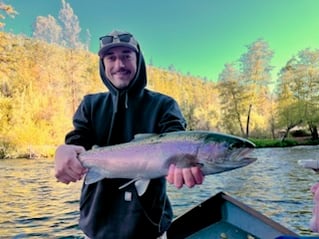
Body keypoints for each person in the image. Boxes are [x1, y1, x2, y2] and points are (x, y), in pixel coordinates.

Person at [54, 30, 204, 239]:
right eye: (111, 58)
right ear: (103, 64)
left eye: (126, 56)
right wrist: (65, 150)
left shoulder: (164, 105)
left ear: (138, 60)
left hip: (150, 226)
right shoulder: (90, 105)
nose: (119, 65)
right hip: (96, 226)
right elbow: (79, 140)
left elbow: (176, 138)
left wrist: (185, 161)